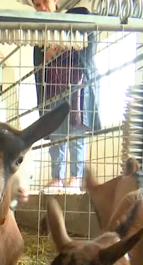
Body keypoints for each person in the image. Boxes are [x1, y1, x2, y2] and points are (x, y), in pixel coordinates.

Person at [32, 0, 101, 191]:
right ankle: (57, 177)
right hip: (53, 90)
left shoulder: (73, 20)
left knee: (76, 132)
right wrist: (47, 56)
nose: (42, 8)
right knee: (56, 135)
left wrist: (66, 45)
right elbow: (37, 68)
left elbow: (88, 50)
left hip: (76, 87)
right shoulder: (39, 36)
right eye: (37, 5)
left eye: (45, 2)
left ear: (55, 1)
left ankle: (75, 177)